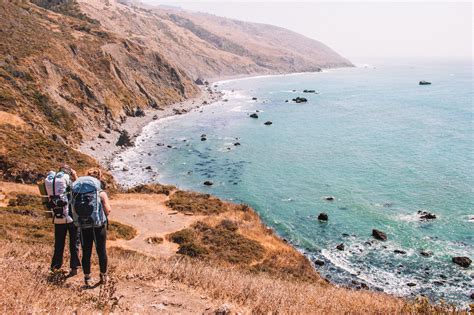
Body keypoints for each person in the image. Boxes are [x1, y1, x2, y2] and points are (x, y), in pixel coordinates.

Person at [72, 168, 111, 286]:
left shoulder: (78, 193)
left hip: (84, 225)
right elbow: (108, 210)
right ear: (99, 178)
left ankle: (87, 277)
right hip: (99, 225)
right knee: (101, 251)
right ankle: (103, 276)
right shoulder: (101, 193)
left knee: (86, 251)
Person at [45, 164, 81, 276]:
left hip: (58, 217)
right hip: (71, 217)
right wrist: (75, 176)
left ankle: (55, 268)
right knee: (74, 243)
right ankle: (74, 268)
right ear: (68, 173)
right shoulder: (68, 181)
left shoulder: (52, 182)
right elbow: (79, 189)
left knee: (59, 244)